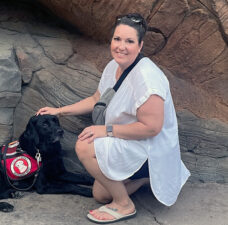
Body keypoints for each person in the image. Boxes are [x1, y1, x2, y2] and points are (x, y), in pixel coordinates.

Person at [37, 13, 190, 224]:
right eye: (117, 39)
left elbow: (152, 128)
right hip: (128, 140)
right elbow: (97, 98)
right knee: (100, 195)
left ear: (140, 45)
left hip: (148, 148)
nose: (121, 46)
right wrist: (59, 111)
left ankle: (125, 204)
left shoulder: (147, 78)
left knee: (84, 145)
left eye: (129, 41)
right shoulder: (114, 66)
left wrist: (105, 130)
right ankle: (147, 180)